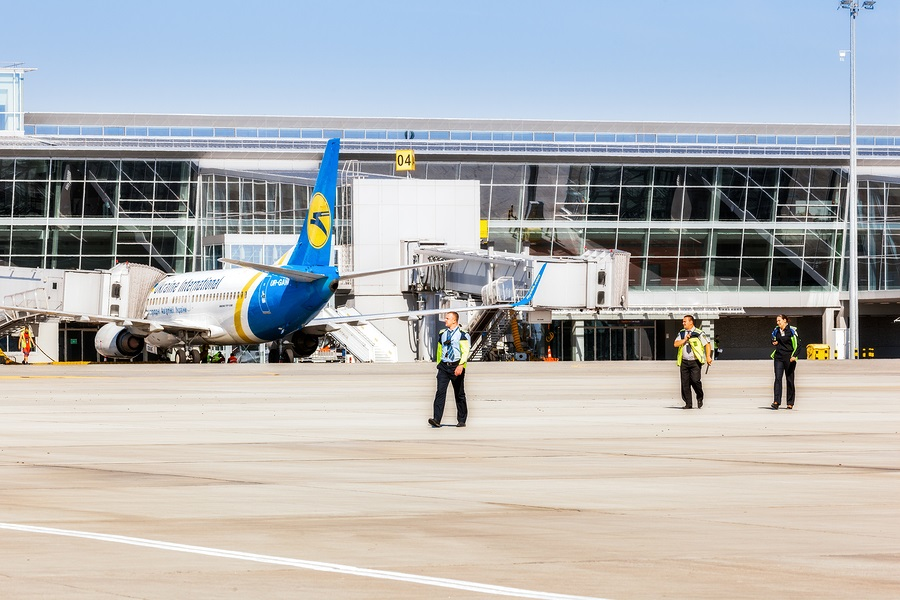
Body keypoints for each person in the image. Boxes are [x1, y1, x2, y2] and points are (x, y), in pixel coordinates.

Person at [428, 311, 470, 428]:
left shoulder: (463, 334)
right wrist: (439, 364)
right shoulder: (442, 333)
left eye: (447, 318)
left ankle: (461, 419)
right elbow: (439, 350)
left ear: (454, 321)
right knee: (440, 392)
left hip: (456, 365)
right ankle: (436, 419)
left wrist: (461, 365)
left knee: (459, 393)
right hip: (443, 366)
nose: (445, 320)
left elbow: (465, 351)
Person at [673, 315, 712, 409]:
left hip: (695, 362)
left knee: (695, 381)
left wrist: (708, 357)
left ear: (691, 322)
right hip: (684, 362)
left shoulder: (698, 333)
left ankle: (699, 396)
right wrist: (685, 339)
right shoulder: (682, 333)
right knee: (685, 383)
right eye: (683, 321)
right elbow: (675, 344)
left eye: (685, 321)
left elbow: (707, 344)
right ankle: (688, 403)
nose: (683, 323)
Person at [770, 314, 799, 410]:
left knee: (789, 380)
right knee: (778, 378)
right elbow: (773, 338)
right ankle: (776, 401)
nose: (777, 322)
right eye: (777, 321)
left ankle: (790, 402)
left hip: (789, 357)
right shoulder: (776, 330)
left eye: (779, 321)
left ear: (785, 320)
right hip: (778, 357)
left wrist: (794, 356)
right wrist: (774, 342)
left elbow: (798, 344)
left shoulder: (792, 330)